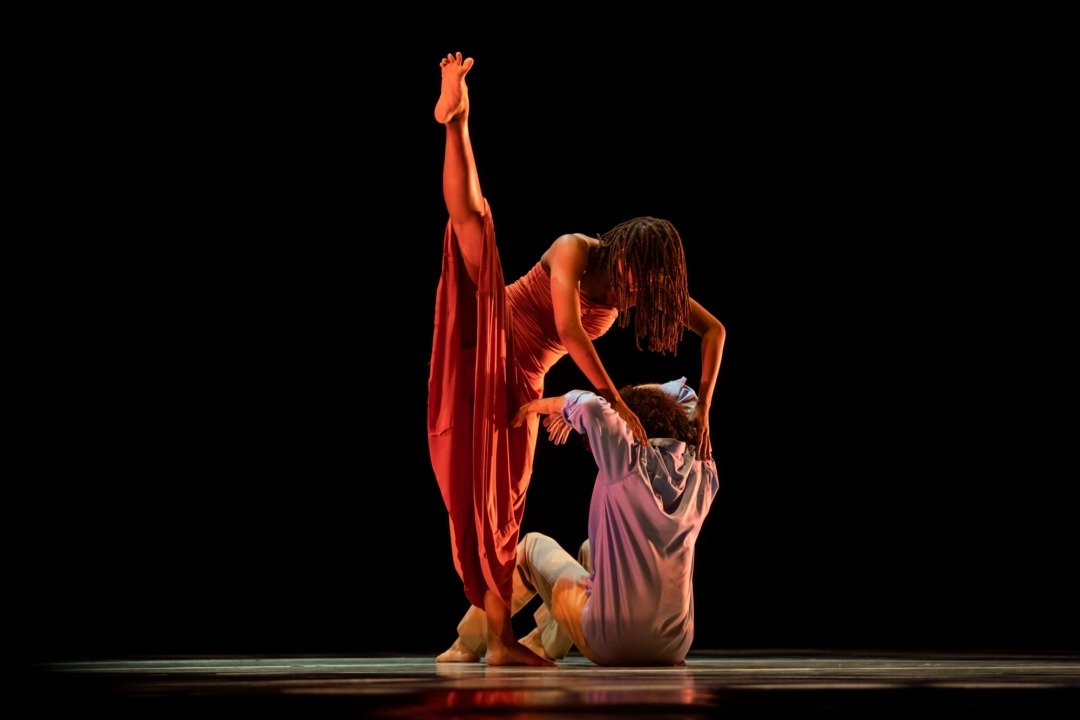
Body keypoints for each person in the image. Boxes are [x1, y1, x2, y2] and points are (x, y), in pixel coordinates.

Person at [428, 51, 726, 666]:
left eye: (641, 287)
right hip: (493, 341)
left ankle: (495, 642)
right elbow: (567, 325)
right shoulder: (573, 250)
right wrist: (616, 404)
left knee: (499, 512)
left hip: (523, 386)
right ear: (615, 251)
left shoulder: (637, 287)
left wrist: (706, 414)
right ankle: (457, 122)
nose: (630, 293)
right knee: (478, 232)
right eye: (628, 278)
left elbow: (716, 330)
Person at [436, 378, 718, 666]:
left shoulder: (627, 458)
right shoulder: (703, 471)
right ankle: (541, 643)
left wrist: (540, 406)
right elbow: (687, 396)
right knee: (589, 552)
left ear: (630, 424)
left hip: (612, 641)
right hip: (674, 645)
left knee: (530, 547)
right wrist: (626, 404)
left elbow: (589, 405)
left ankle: (467, 644)